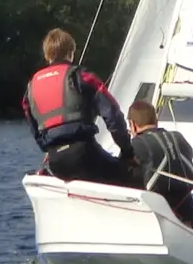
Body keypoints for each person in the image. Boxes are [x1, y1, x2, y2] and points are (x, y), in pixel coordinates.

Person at [23, 28, 136, 186]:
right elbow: (112, 114)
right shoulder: (81, 76)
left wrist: (46, 146)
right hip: (85, 154)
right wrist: (127, 151)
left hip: (56, 162)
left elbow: (31, 121)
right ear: (71, 52)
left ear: (47, 55)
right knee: (131, 176)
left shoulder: (31, 86)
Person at [126, 100, 193, 227]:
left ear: (132, 124)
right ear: (156, 121)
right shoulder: (179, 138)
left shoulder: (136, 144)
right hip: (189, 217)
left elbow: (122, 176)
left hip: (155, 220)